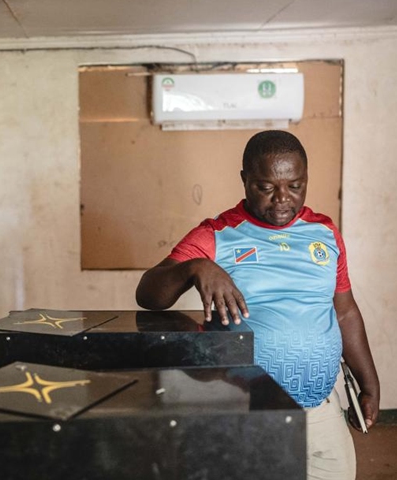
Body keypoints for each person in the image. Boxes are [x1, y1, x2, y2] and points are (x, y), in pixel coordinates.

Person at [136, 130, 379, 480]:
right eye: (267, 187)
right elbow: (147, 295)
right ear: (245, 180)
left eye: (295, 186)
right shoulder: (217, 235)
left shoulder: (325, 233)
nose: (282, 199)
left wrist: (369, 384)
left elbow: (345, 311)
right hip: (247, 410)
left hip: (322, 407)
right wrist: (195, 267)